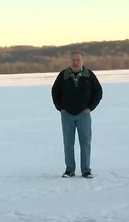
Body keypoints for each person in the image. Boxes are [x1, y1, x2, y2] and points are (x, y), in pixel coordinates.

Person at [52, 51, 103, 179]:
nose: (75, 62)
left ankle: (86, 170)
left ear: (82, 61)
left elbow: (98, 92)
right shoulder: (63, 75)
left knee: (85, 142)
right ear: (69, 61)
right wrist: (60, 108)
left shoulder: (89, 75)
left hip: (83, 115)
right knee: (68, 143)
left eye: (78, 60)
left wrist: (90, 108)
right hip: (67, 115)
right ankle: (69, 170)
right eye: (73, 60)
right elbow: (54, 92)